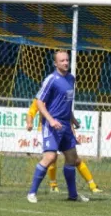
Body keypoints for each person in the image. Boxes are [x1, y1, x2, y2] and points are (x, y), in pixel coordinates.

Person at [26, 50, 88, 203]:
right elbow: (39, 102)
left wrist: (72, 119)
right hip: (52, 124)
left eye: (67, 60)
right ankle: (32, 193)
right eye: (62, 61)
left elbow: (66, 103)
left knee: (72, 158)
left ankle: (72, 195)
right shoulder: (51, 80)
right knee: (50, 157)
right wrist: (51, 120)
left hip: (66, 124)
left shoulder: (71, 79)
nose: (66, 63)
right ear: (55, 63)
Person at [26, 98, 102, 194]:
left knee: (75, 159)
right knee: (52, 157)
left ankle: (93, 186)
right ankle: (53, 186)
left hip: (63, 130)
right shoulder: (39, 99)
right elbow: (30, 113)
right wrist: (29, 123)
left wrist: (73, 124)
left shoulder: (59, 96)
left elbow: (67, 112)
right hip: (45, 132)